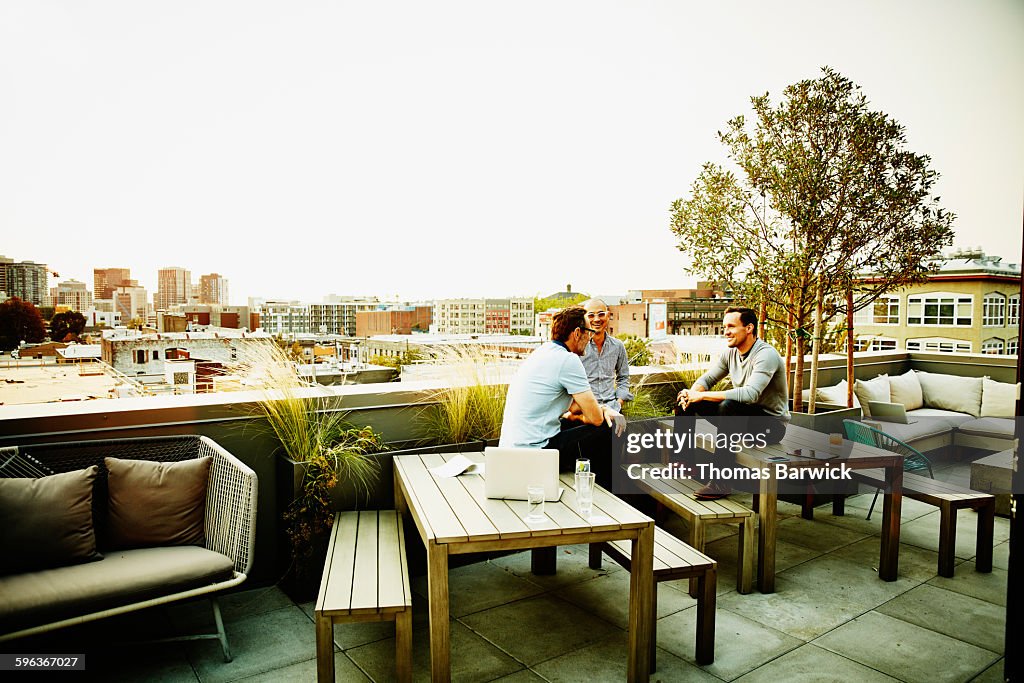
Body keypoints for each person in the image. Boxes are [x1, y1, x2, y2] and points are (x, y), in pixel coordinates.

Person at [675, 306, 790, 499]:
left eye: (731, 326)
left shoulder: (766, 355)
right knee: (684, 398)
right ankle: (684, 463)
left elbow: (750, 394)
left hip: (771, 426)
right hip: (740, 418)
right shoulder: (731, 353)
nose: (725, 332)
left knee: (729, 406)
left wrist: (702, 396)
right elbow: (706, 380)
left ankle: (721, 482)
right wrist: (692, 394)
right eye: (724, 326)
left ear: (749, 328)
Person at [499, 305, 623, 479]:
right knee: (609, 426)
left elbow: (574, 409)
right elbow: (595, 418)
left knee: (586, 423)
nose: (590, 337)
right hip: (535, 454)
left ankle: (591, 481)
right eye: (589, 332)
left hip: (510, 450)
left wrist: (593, 412)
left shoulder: (543, 352)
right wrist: (603, 411)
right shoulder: (568, 360)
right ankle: (607, 494)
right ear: (577, 333)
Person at [579, 298, 634, 411]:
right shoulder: (578, 347)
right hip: (586, 411)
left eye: (601, 314)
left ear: (608, 315)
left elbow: (623, 377)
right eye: (591, 315)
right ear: (584, 319)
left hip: (613, 409)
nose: (596, 319)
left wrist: (619, 402)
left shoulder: (618, 346)